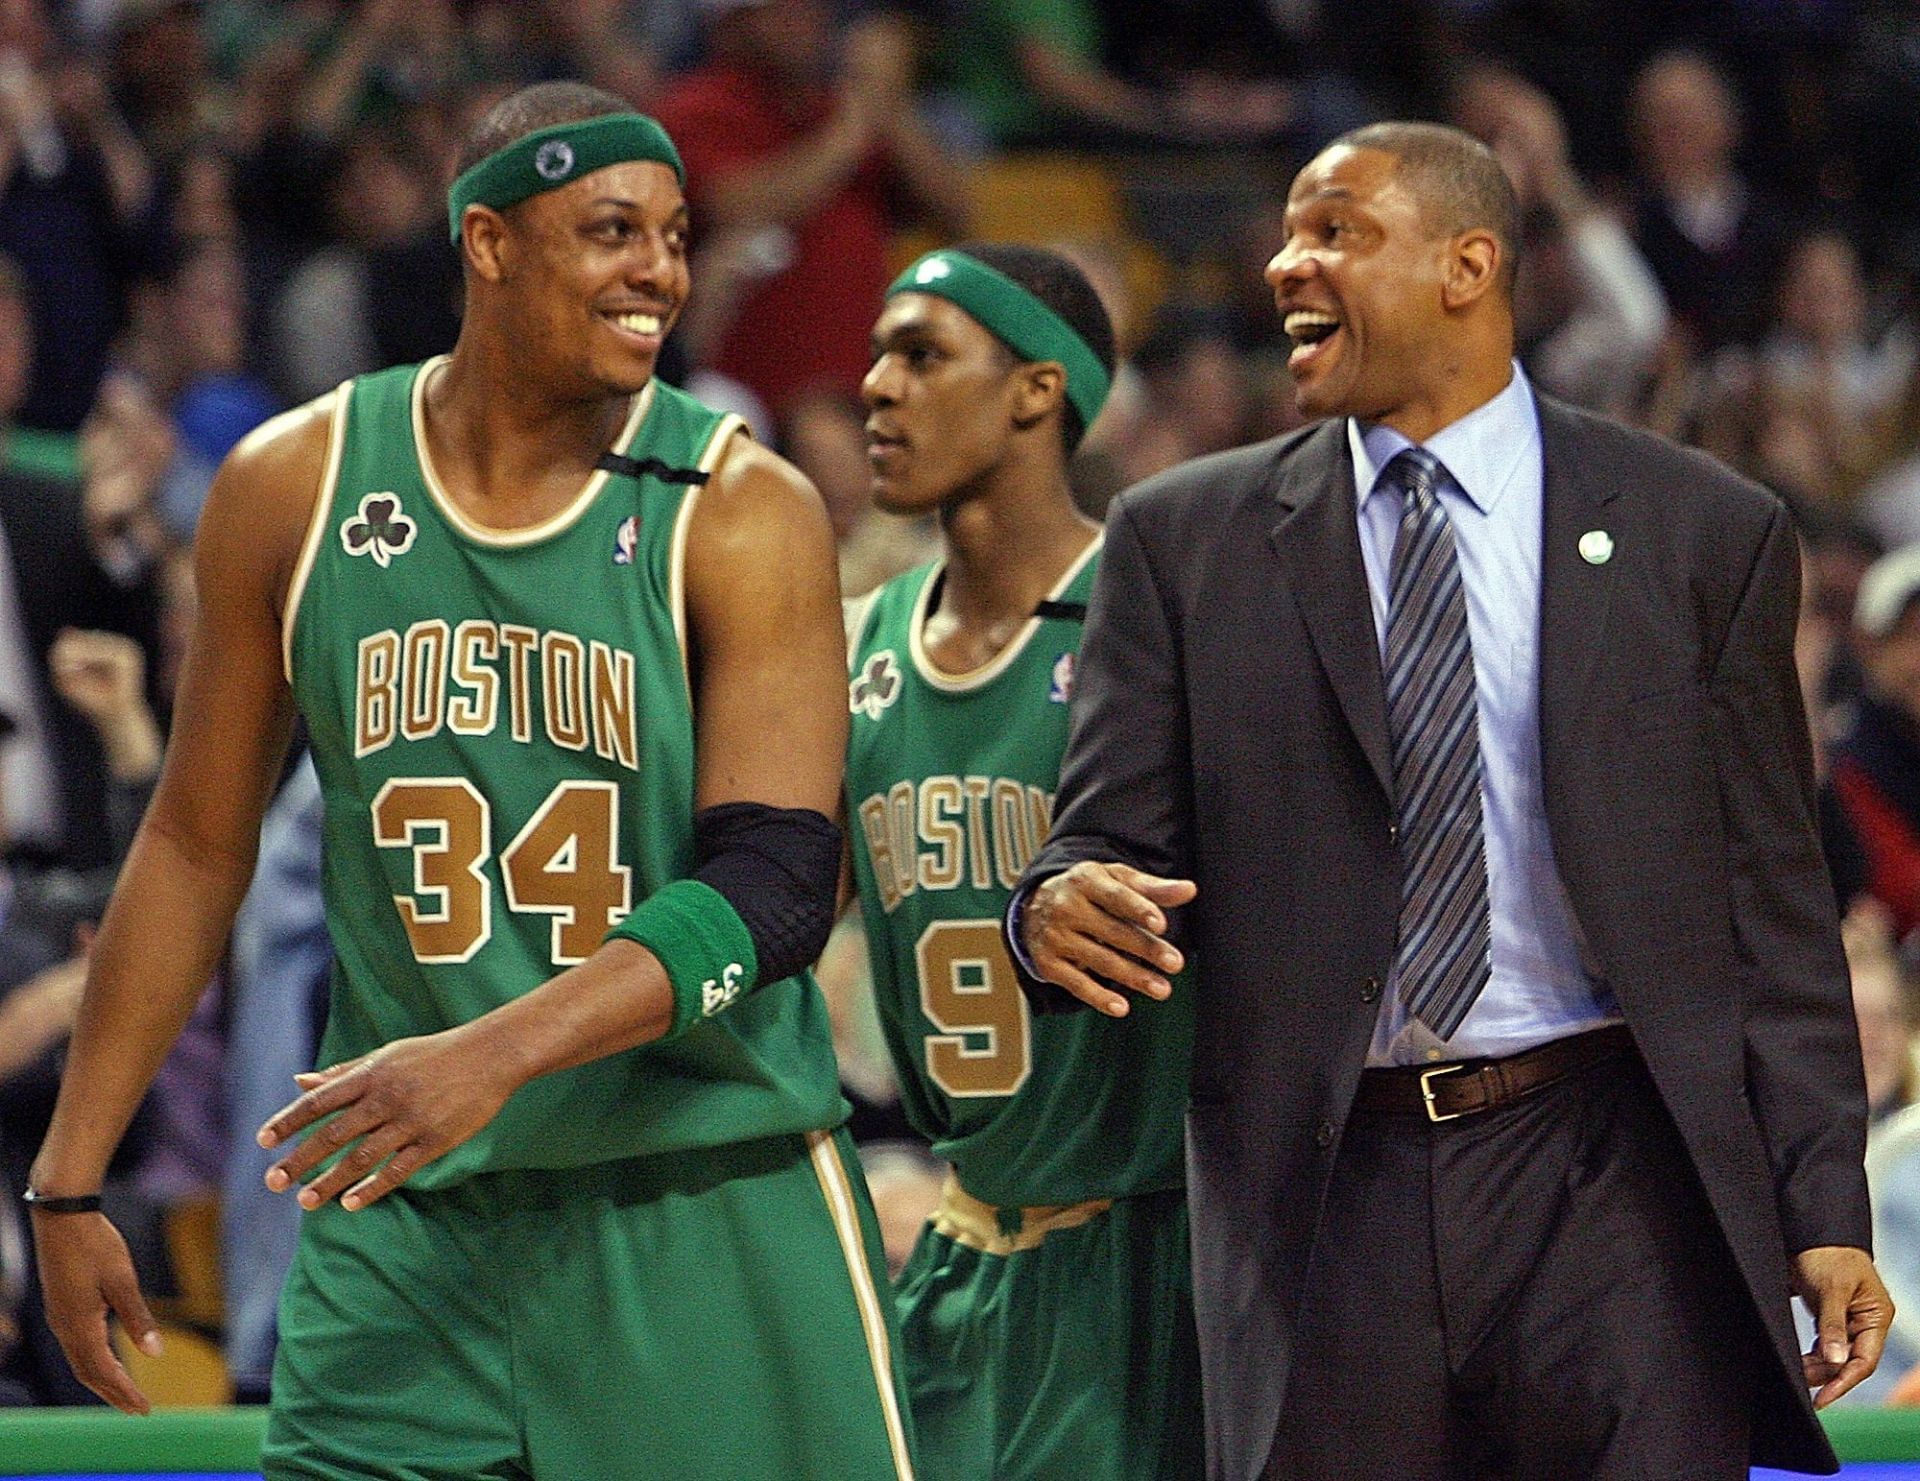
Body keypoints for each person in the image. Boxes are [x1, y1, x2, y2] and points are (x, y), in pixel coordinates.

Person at [25, 81, 915, 1481]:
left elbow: (781, 880)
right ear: (488, 246)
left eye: (677, 237)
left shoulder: (736, 507)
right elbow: (197, 849)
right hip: (407, 1224)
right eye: (613, 230)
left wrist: (491, 1056)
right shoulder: (293, 487)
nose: (660, 273)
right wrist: (68, 1175)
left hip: (697, 1192)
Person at [1011, 120, 1890, 1479]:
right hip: (1323, 1189)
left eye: (1334, 232)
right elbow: (1103, 842)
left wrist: (1824, 1201)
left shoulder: (1700, 529)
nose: (1284, 266)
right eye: (1289, 234)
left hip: (1616, 1170)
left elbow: (1771, 902)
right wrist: (1053, 907)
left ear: (1467, 265)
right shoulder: (1180, 540)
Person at [847, 243, 1202, 1478]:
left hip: (1150, 1254)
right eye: (881, 352)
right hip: (955, 1240)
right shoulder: (860, 645)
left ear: (1037, 392)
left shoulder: (1156, 615)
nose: (877, 385)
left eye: (922, 352)